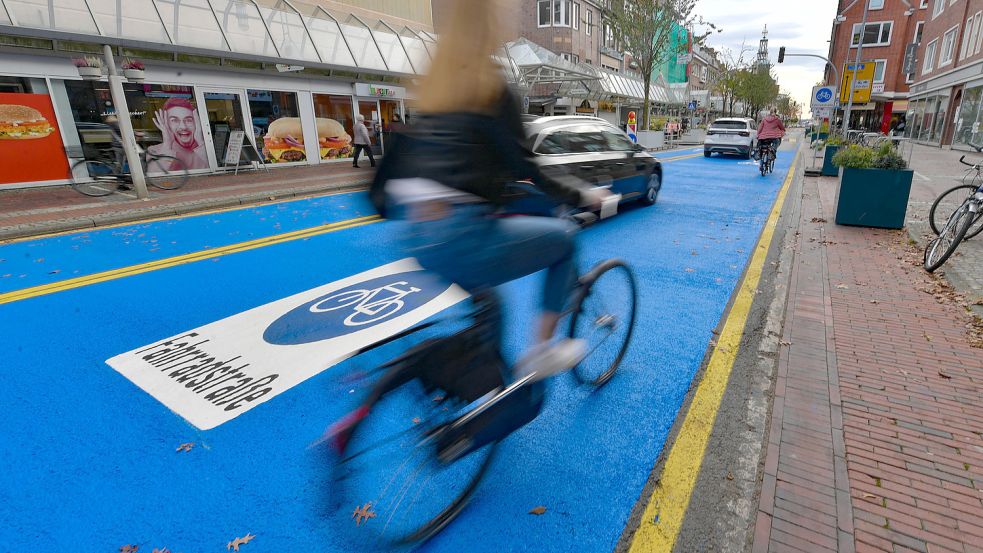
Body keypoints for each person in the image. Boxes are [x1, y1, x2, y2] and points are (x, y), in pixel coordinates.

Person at [371, 0, 609, 391]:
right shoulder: (491, 86)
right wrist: (584, 194)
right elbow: (525, 167)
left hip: (416, 235)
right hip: (461, 234)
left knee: (490, 306)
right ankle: (541, 351)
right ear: (489, 26)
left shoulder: (435, 93)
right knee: (564, 242)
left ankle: (488, 393)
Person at [148, 97, 208, 170]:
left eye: (189, 120)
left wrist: (200, 141)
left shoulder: (205, 148)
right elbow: (155, 178)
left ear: (196, 122)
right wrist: (167, 145)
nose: (183, 127)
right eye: (174, 120)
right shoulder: (154, 150)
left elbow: (215, 170)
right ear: (166, 124)